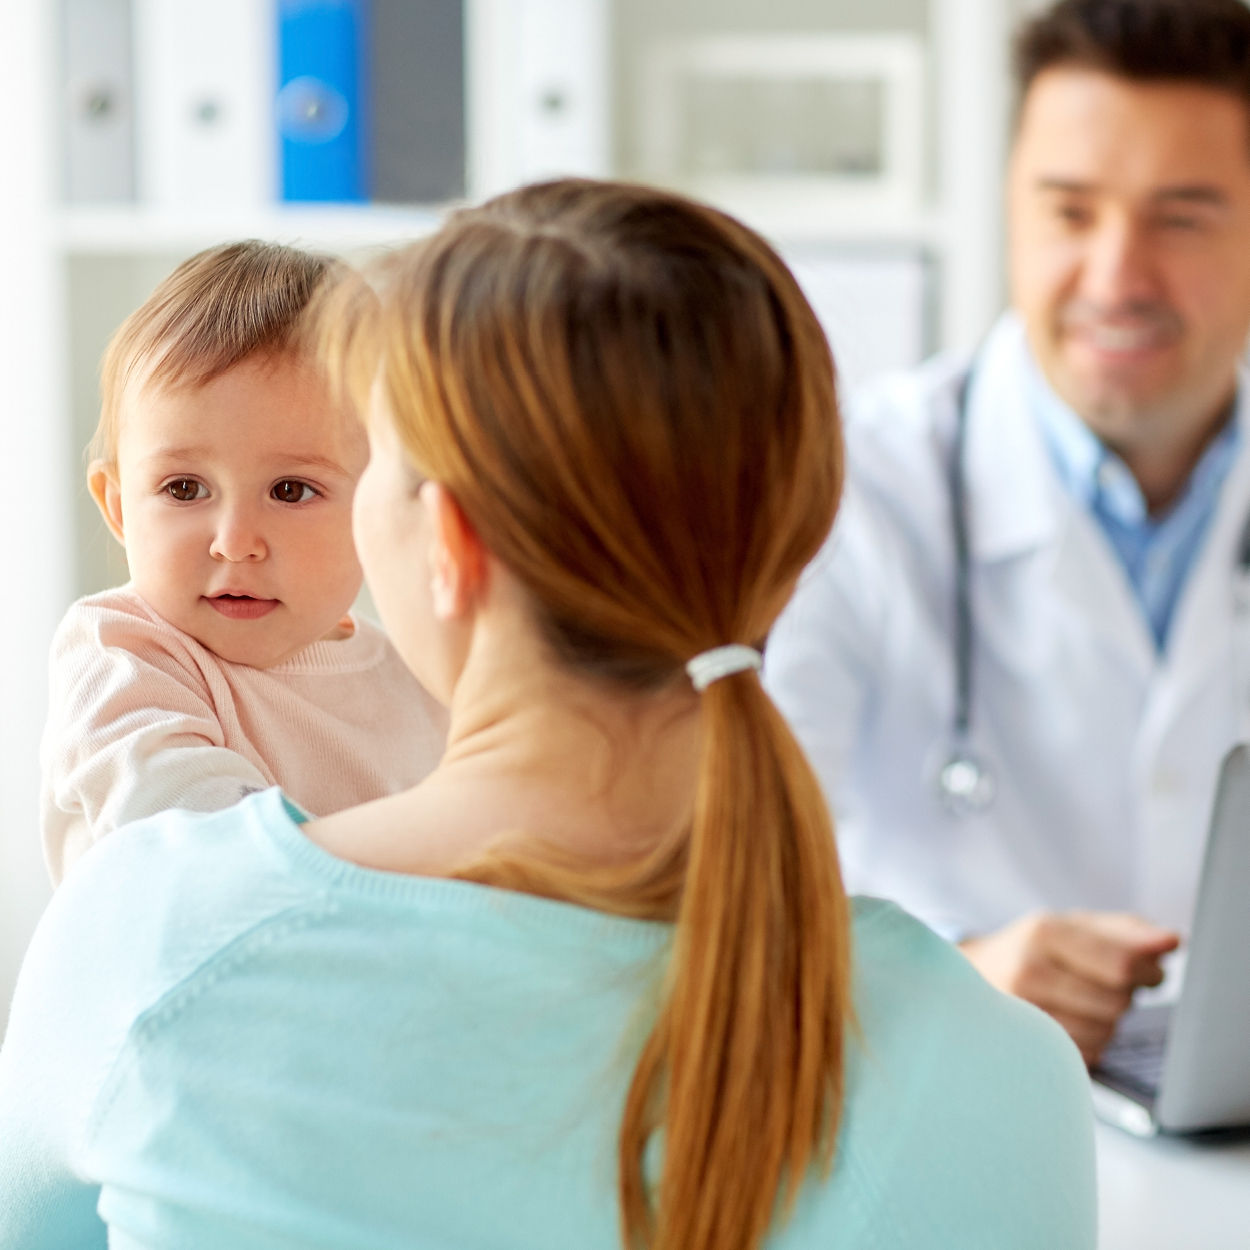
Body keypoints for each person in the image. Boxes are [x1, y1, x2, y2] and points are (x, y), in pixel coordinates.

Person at [0, 181, 1096, 1249]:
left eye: (336, 477)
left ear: (449, 544)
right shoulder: (1001, 1074)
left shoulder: (148, 938)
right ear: (792, 562)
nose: (239, 535)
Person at [765, 0, 1250, 1065]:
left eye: (1180, 217)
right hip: (931, 1100)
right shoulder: (846, 489)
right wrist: (961, 978)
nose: (1116, 277)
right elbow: (725, 908)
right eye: (1069, 212)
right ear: (1010, 210)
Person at [40, 240, 446, 884]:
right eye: (183, 489)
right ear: (118, 508)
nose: (234, 541)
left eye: (290, 490)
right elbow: (208, 851)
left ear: (378, 506)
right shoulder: (124, 654)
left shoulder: (420, 676)